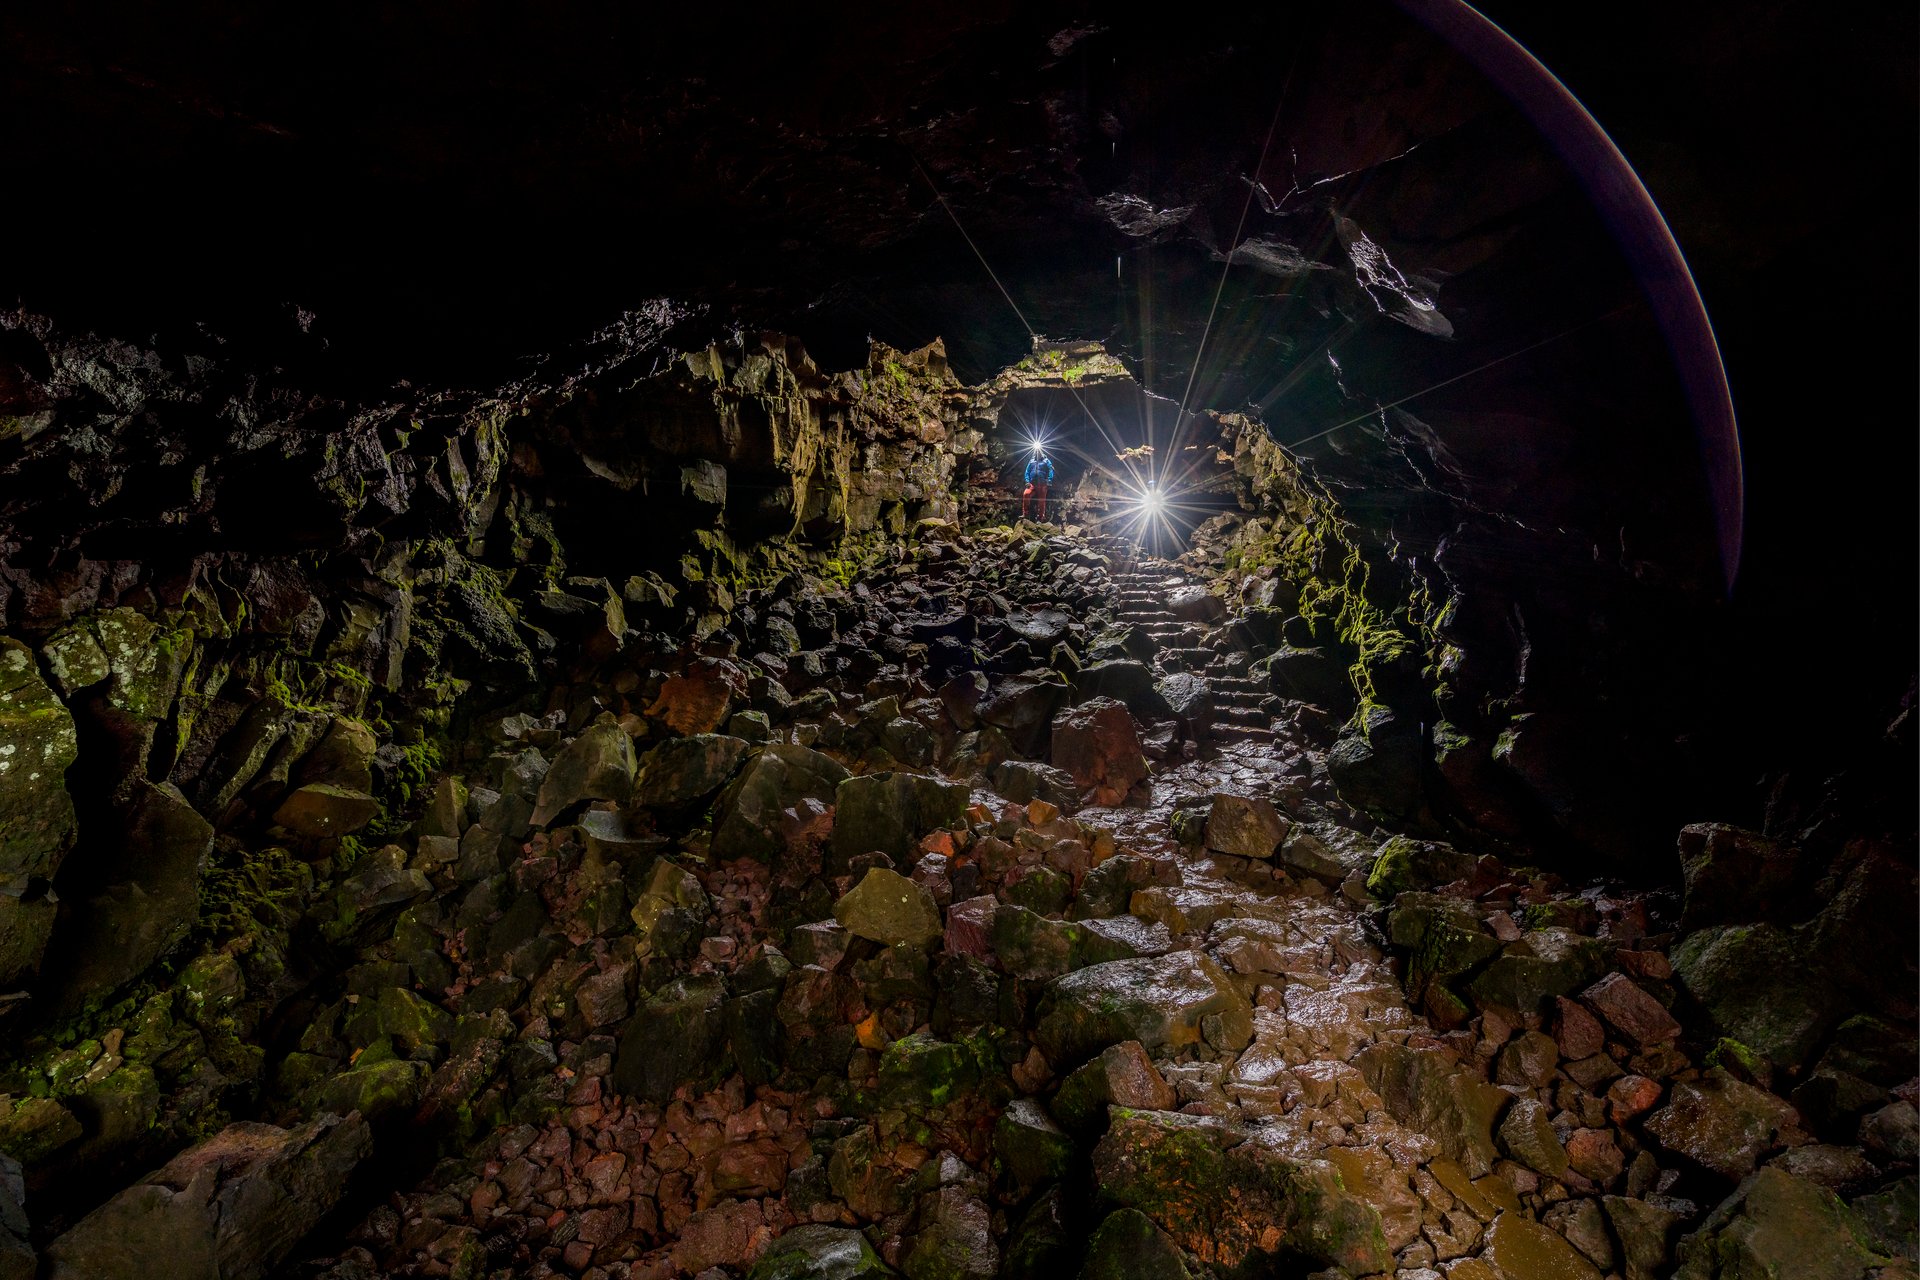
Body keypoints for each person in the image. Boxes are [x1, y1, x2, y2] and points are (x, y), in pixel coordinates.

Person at [1022, 447, 1055, 521]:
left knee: (1041, 500)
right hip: (1032, 483)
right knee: (1026, 494)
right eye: (1036, 451)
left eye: (1039, 451)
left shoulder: (1046, 460)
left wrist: (1049, 480)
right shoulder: (1031, 461)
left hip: (1042, 483)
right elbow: (1027, 471)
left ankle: (1040, 517)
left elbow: (1051, 469)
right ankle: (1025, 514)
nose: (1037, 452)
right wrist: (1027, 481)